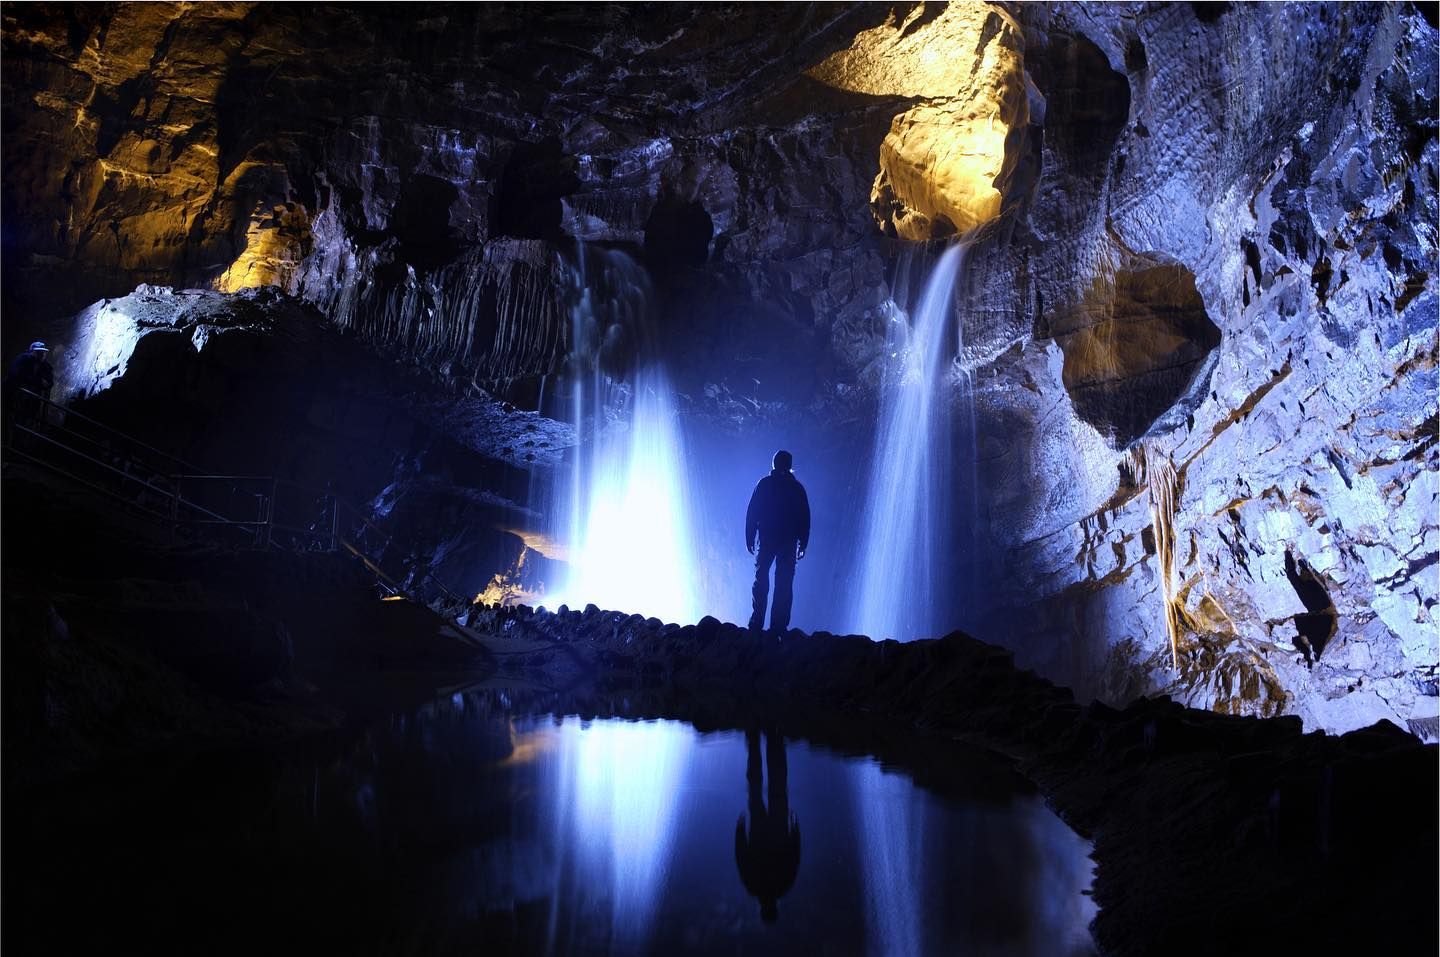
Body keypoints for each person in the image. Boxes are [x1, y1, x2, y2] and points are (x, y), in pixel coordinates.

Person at [734, 726, 801, 923]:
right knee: (758, 787)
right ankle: (758, 738)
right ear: (762, 909)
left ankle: (772, 738)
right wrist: (740, 831)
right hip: (762, 832)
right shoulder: (754, 886)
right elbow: (741, 857)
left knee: (776, 784)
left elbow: (794, 856)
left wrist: (795, 829)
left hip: (774, 830)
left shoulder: (782, 886)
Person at [745, 449, 810, 635]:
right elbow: (805, 517)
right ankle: (778, 627)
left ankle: (756, 623)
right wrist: (803, 542)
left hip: (767, 539)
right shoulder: (797, 488)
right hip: (788, 541)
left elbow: (753, 512)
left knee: (761, 579)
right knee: (784, 583)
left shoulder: (764, 484)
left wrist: (750, 536)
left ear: (774, 464)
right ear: (789, 466)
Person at [3, 341, 55, 447]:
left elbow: (49, 382)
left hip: (30, 401)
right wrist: (38, 382)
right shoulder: (22, 359)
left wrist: (38, 382)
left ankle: (17, 446)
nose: (42, 354)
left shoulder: (45, 366)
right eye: (39, 352)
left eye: (43, 352)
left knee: (26, 422)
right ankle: (7, 445)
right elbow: (15, 374)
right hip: (13, 396)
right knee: (8, 420)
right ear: (32, 352)